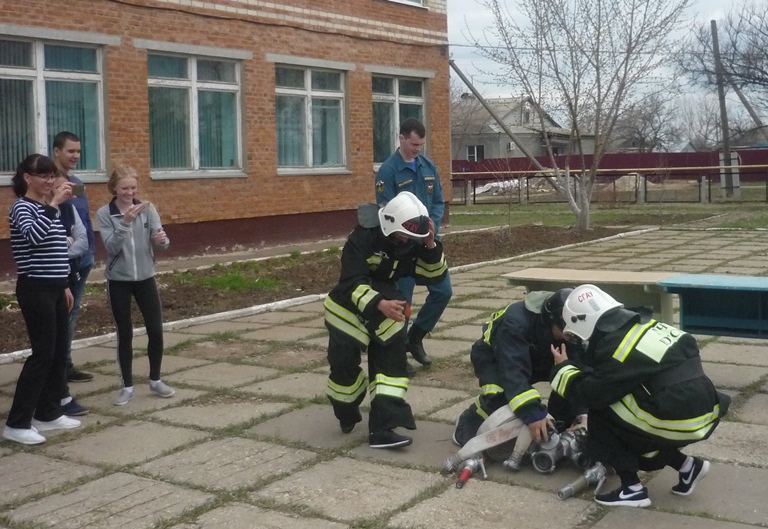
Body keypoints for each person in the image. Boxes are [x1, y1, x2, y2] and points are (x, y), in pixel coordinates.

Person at [550, 284, 731, 508]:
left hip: (681, 417)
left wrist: (563, 368)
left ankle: (632, 489)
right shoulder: (649, 326)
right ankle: (687, 466)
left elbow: (592, 394)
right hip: (705, 407)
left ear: (584, 322)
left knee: (605, 413)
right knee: (637, 425)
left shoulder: (617, 348)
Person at [323, 191, 447, 448]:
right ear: (390, 225)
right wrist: (378, 303)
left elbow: (432, 275)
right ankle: (346, 411)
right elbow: (350, 282)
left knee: (391, 365)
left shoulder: (411, 241)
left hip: (388, 302)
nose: (409, 241)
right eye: (407, 235)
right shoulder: (362, 238)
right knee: (343, 369)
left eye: (415, 237)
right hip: (347, 308)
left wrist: (430, 246)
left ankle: (384, 428)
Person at [3, 154, 82, 445]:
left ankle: (48, 413)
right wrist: (52, 205)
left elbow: (56, 251)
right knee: (43, 353)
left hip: (55, 287)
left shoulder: (49, 208)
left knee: (59, 351)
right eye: (44, 176)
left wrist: (64, 285)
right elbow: (35, 238)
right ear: (27, 178)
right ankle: (17, 422)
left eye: (52, 176)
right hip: (34, 288)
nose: (50, 181)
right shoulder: (22, 208)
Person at [452, 289, 587, 448]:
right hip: (495, 356)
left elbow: (581, 371)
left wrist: (583, 412)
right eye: (567, 332)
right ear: (552, 319)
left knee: (567, 376)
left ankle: (557, 425)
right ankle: (468, 423)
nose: (571, 337)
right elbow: (513, 373)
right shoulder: (515, 322)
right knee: (499, 394)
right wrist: (533, 414)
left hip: (536, 353)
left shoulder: (567, 327)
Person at [375, 118, 452, 374]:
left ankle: (415, 338)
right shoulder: (388, 171)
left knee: (443, 291)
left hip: (428, 243)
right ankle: (397, 356)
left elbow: (439, 201)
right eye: (414, 144)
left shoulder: (428, 166)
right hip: (404, 246)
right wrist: (408, 234)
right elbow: (385, 211)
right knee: (402, 302)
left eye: (421, 144)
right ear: (402, 139)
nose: (418, 149)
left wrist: (433, 228)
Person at [96, 165, 174, 406]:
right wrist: (125, 223)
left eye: (133, 188)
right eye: (124, 188)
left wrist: (162, 241)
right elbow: (111, 247)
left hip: (146, 278)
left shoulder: (147, 209)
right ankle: (127, 386)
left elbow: (162, 241)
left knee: (155, 329)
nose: (129, 193)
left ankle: (155, 380)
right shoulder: (104, 213)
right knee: (125, 332)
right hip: (119, 280)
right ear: (114, 189)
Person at [52, 131, 96, 385]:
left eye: (78, 151)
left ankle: (65, 364)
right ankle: (56, 365)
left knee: (72, 311)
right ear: (57, 151)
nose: (76, 156)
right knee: (60, 314)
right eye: (71, 151)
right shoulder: (49, 185)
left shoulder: (78, 183)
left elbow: (85, 220)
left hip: (83, 259)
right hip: (59, 263)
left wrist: (90, 251)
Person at [50, 172, 90, 417]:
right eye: (58, 186)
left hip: (68, 276)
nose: (65, 190)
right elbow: (41, 244)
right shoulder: (39, 210)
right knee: (49, 340)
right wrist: (62, 243)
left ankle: (60, 393)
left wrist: (63, 246)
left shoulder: (68, 209)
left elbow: (83, 241)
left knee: (65, 327)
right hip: (47, 282)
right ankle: (55, 397)